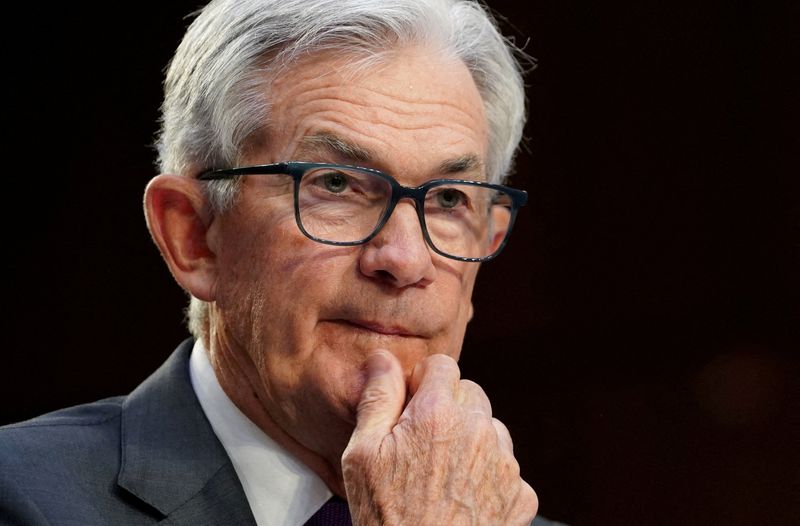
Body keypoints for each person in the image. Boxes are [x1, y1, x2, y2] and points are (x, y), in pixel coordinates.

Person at [0, 0, 564, 524]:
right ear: (193, 235)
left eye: (447, 199)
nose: (405, 259)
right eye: (336, 184)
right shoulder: (22, 496)